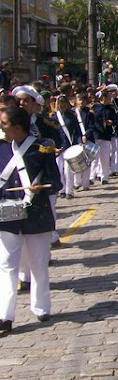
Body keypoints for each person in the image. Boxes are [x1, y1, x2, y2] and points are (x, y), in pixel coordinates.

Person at [0, 106, 62, 336]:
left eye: (4, 123)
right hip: (7, 217)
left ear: (17, 127)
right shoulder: (2, 149)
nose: (1, 127)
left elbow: (56, 182)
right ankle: (4, 316)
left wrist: (41, 186)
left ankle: (41, 307)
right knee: (7, 266)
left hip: (36, 214)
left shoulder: (42, 146)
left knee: (38, 265)